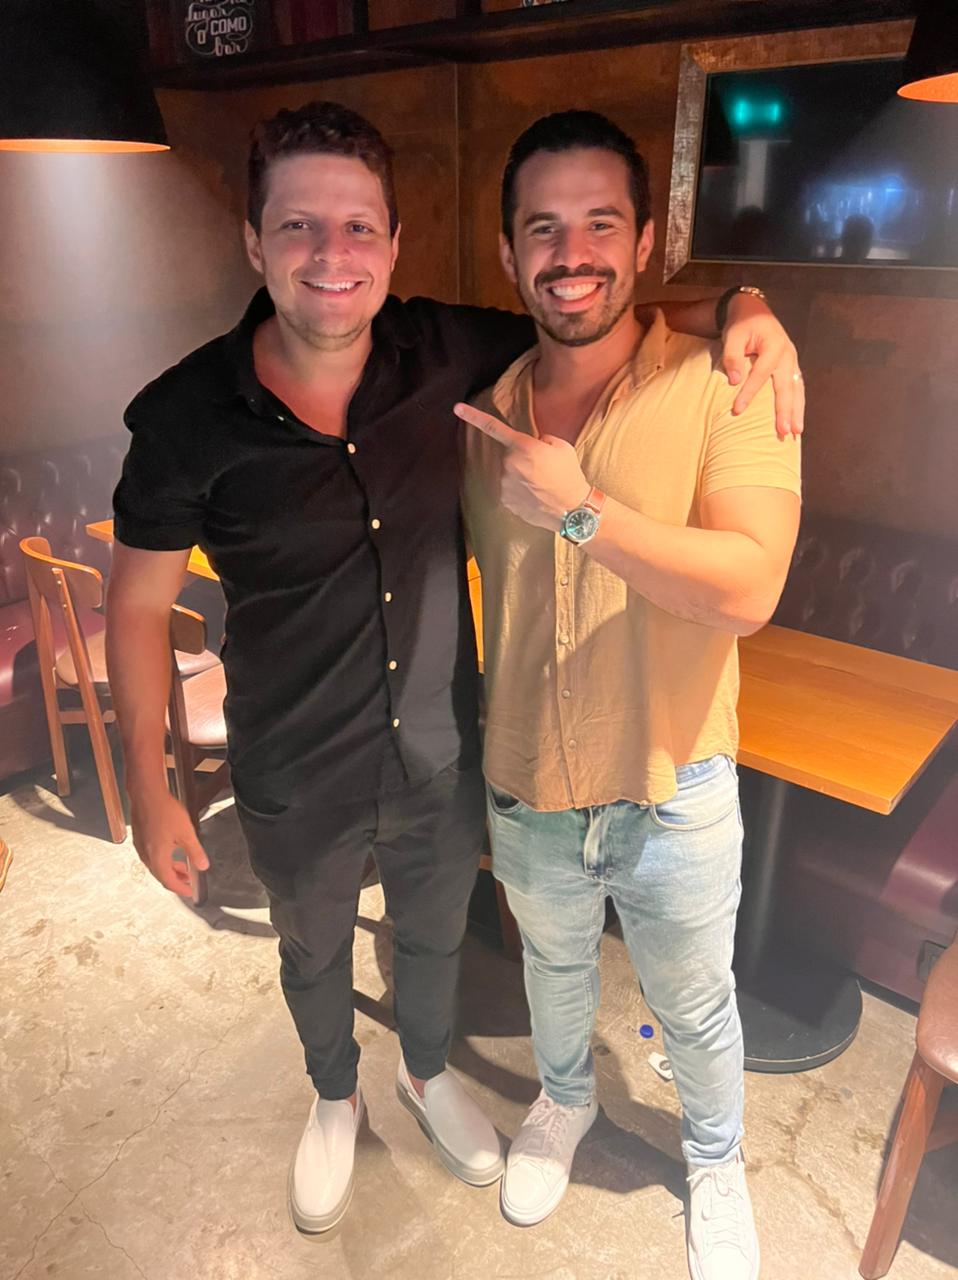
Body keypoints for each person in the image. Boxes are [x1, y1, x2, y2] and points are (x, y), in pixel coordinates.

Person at [106, 100, 801, 1236]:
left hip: (446, 751)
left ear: (394, 243)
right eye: (297, 226)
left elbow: (590, 302)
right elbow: (136, 607)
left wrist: (745, 306)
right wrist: (147, 784)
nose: (332, 254)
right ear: (252, 241)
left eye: (358, 227)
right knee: (315, 947)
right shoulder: (187, 417)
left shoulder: (453, 356)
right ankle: (336, 1095)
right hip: (297, 758)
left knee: (440, 939)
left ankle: (430, 1076)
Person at [458, 110, 801, 1280]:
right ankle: (564, 1098)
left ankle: (714, 1156)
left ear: (646, 241)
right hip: (526, 780)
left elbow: (749, 586)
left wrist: (582, 512)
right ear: (507, 252)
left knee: (693, 1003)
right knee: (551, 972)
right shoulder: (483, 411)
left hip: (673, 781)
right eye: (542, 228)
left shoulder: (728, 382)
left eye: (600, 223)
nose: (572, 254)